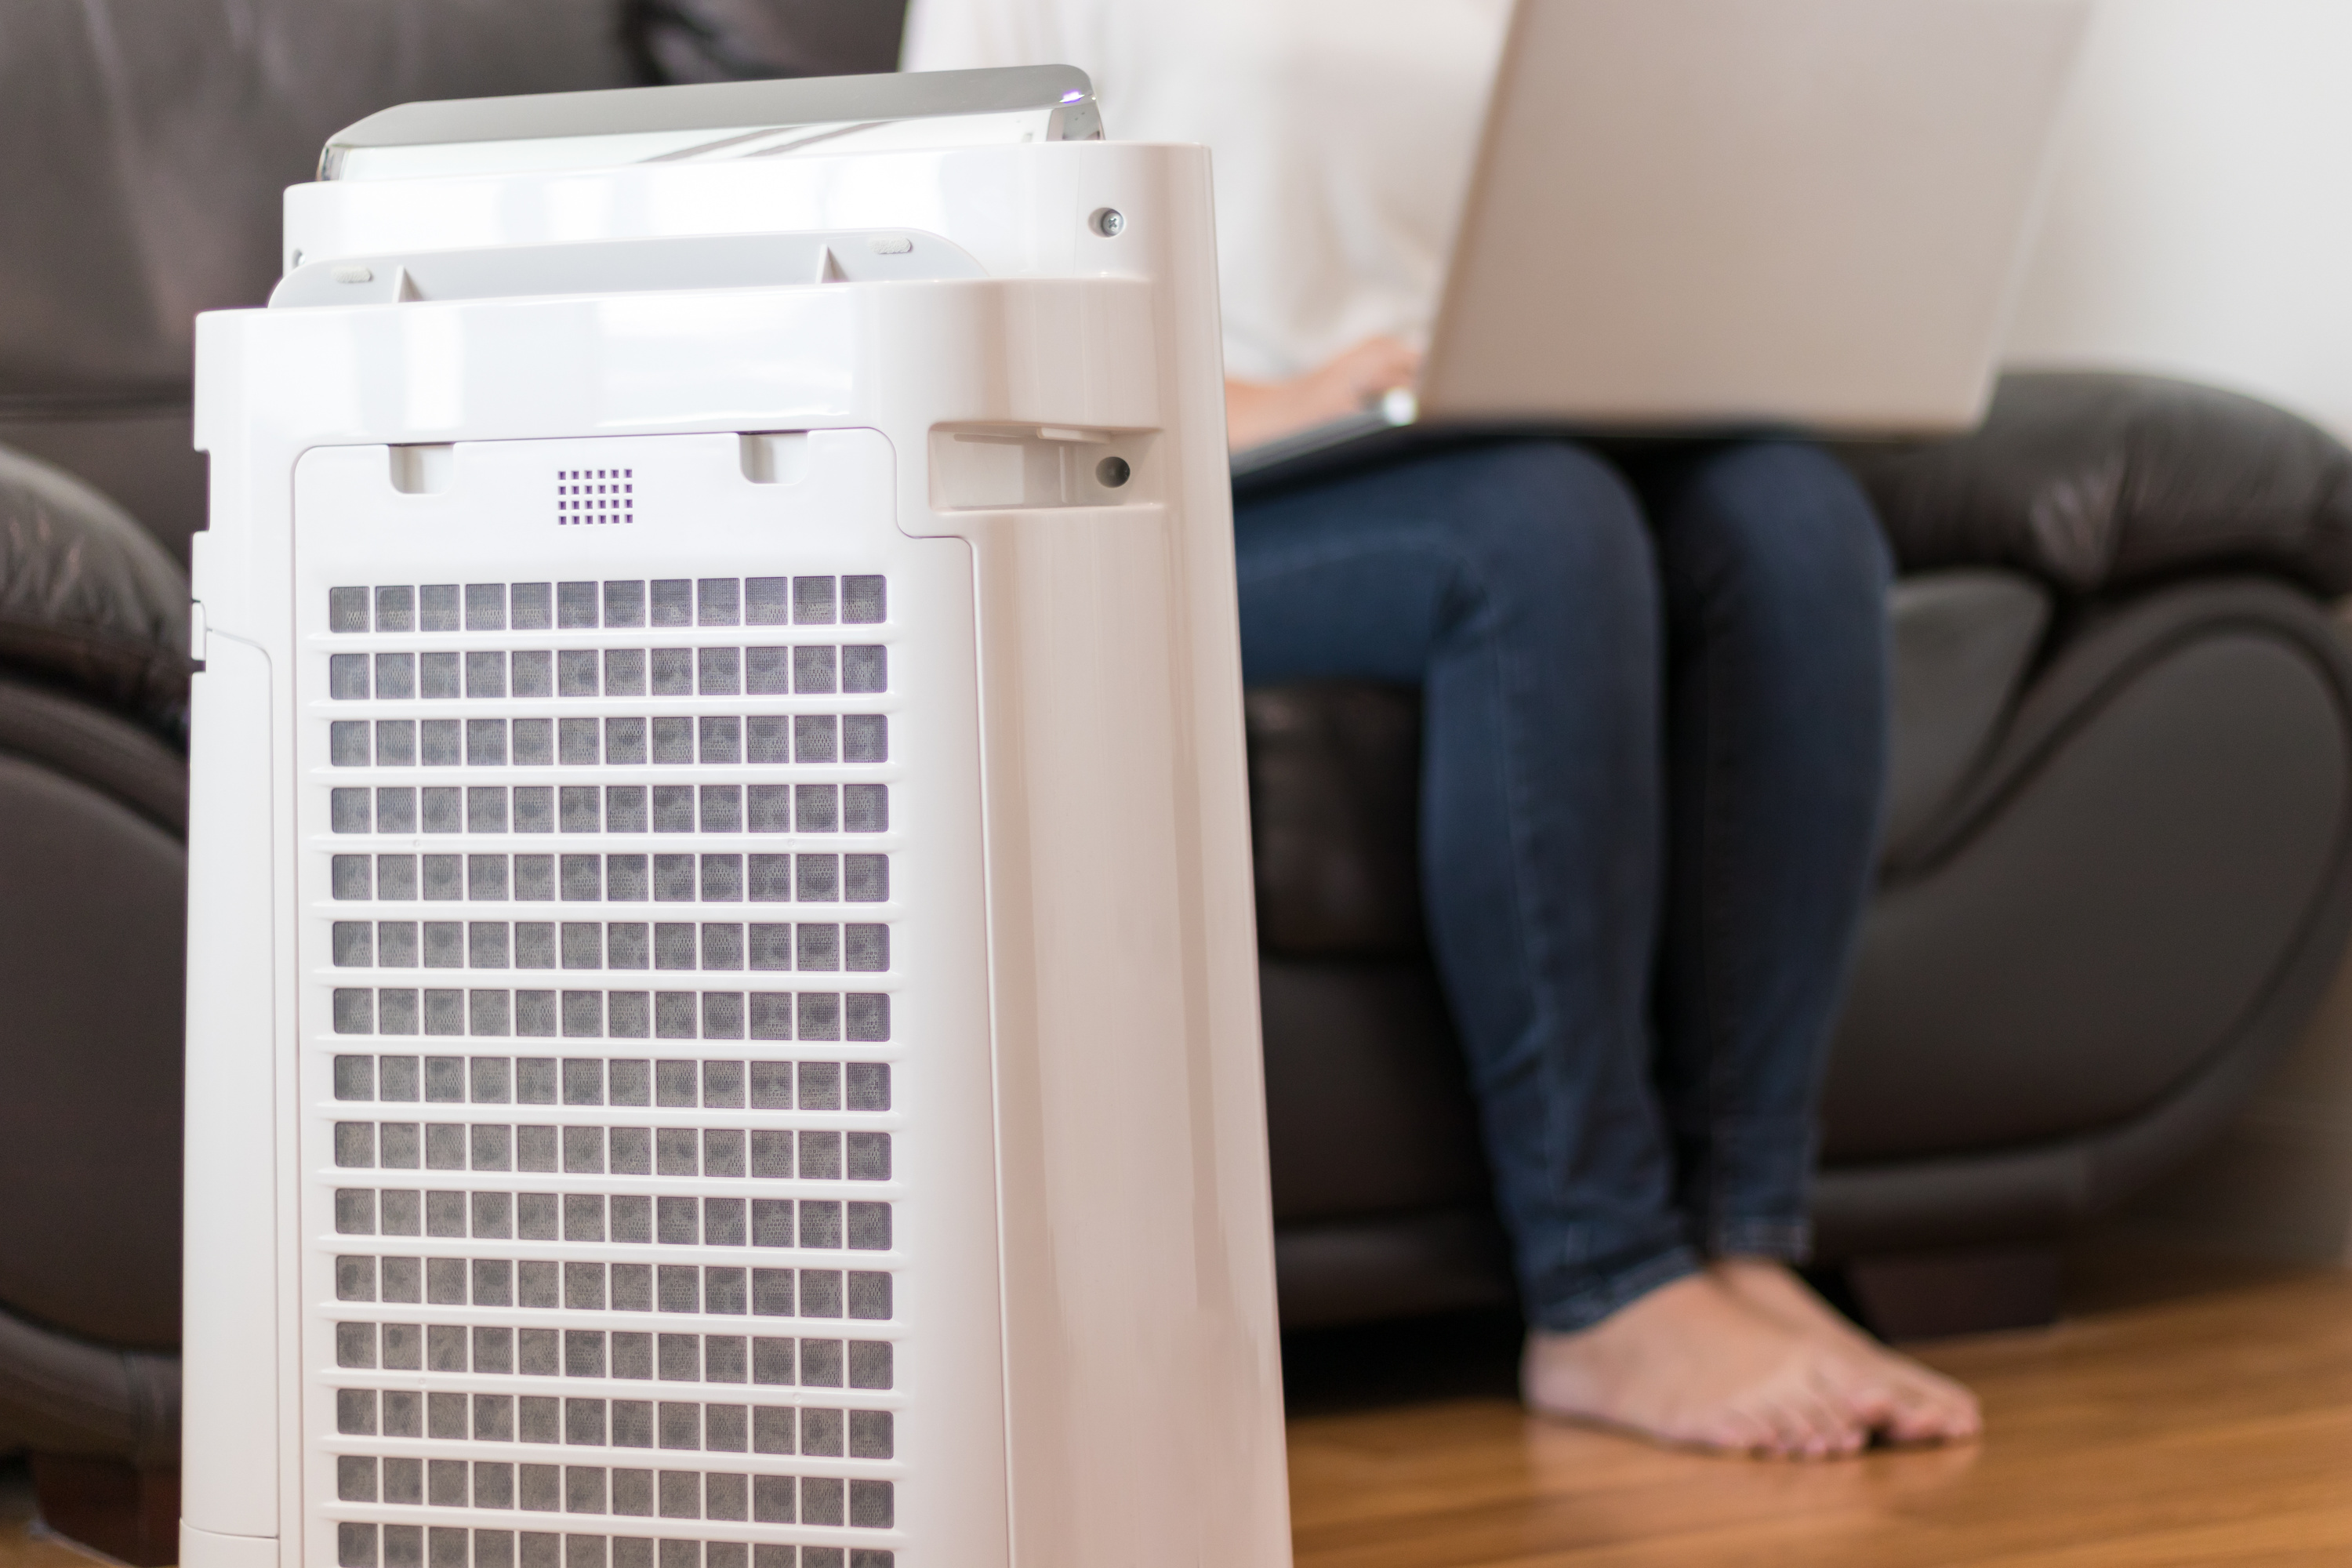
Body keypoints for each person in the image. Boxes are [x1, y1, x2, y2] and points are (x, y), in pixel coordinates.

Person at [904, 0, 1982, 1459]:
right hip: (1167, 475)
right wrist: (1258, 398)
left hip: (1489, 431)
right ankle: (1602, 1285)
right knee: (1536, 531)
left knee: (1794, 523)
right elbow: (944, 283)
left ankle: (1744, 1241)